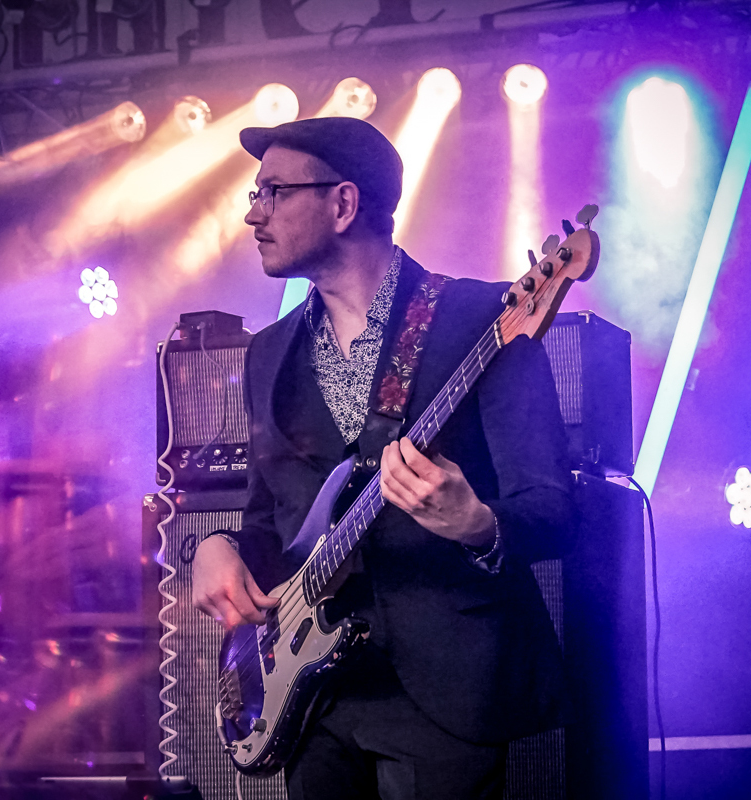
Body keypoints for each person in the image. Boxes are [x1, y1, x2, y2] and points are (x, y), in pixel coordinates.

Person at [191, 116, 574, 800]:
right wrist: (217, 547)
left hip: (447, 686)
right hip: (315, 696)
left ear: (343, 203)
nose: (253, 213)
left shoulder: (485, 318)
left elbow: (555, 511)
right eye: (256, 194)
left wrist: (478, 525)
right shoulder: (268, 352)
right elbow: (271, 520)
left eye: (274, 191)